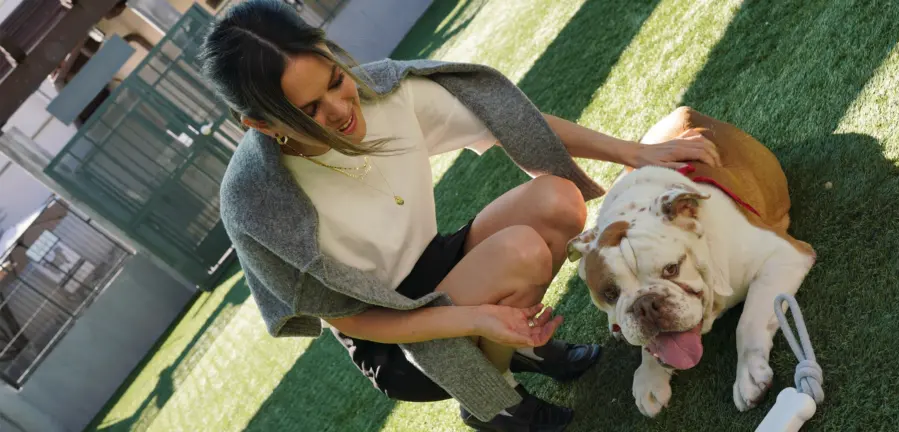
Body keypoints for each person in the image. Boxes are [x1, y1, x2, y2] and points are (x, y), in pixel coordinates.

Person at [198, 0, 720, 430]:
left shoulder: (385, 93)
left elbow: (516, 122)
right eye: (308, 111)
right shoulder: (256, 203)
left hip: (440, 265)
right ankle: (492, 400)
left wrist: (635, 152)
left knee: (557, 200)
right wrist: (472, 317)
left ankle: (513, 348)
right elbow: (352, 318)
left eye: (335, 80)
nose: (338, 109)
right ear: (263, 126)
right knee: (521, 253)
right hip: (392, 338)